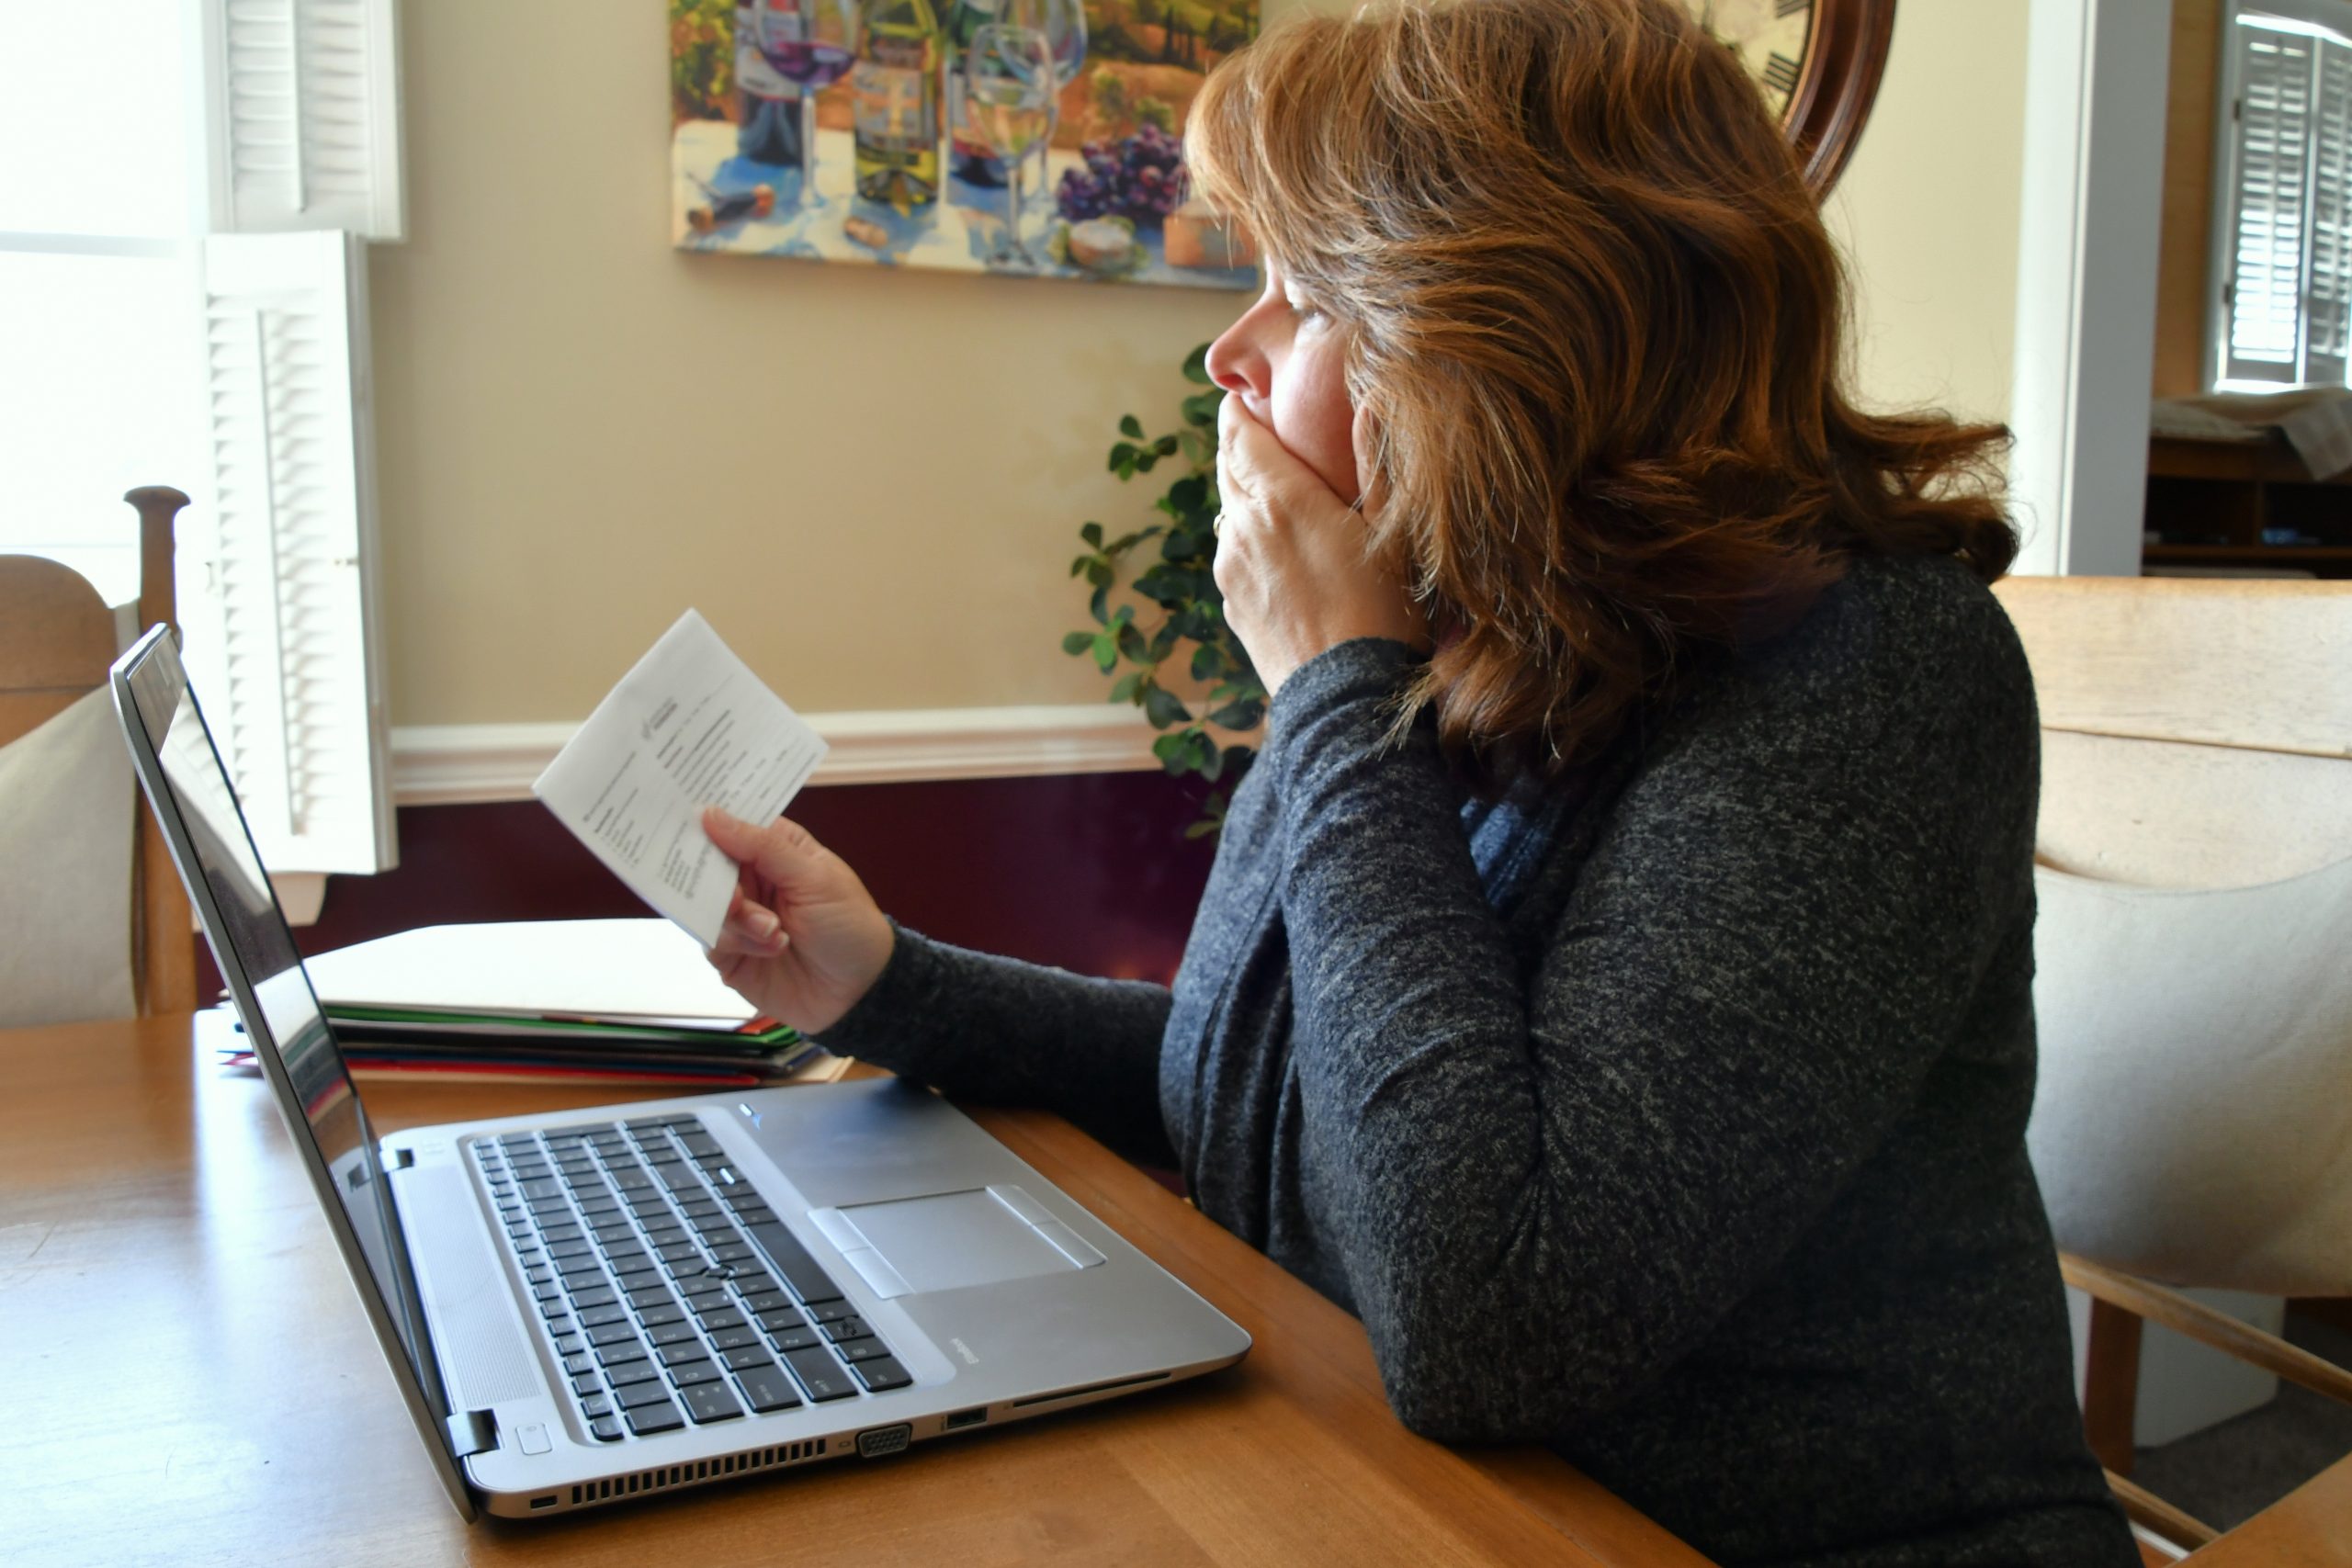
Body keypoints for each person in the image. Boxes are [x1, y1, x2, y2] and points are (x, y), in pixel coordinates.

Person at [699, 1, 2141, 1562]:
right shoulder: (1476, 633)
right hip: (1390, 1488)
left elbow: (1495, 1311)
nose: (1224, 352)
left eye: (1302, 292)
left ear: (1507, 331)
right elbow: (1258, 1081)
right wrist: (889, 987)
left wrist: (1331, 680)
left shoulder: (1879, 676)